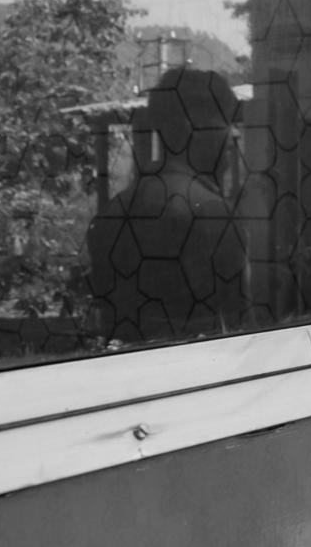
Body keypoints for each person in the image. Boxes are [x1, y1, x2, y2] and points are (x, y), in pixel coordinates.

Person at [86, 67, 247, 344]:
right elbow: (235, 327)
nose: (232, 136)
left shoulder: (115, 210)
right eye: (223, 121)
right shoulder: (210, 212)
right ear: (190, 125)